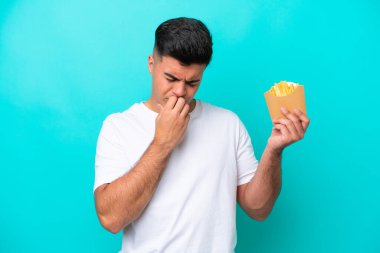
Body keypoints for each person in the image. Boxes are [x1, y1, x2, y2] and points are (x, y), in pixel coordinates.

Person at [93, 17, 310, 253]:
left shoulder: (228, 124)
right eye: (171, 78)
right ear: (151, 64)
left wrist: (274, 150)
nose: (180, 91)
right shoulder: (119, 126)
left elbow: (258, 209)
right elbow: (111, 219)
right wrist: (162, 143)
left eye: (192, 82)